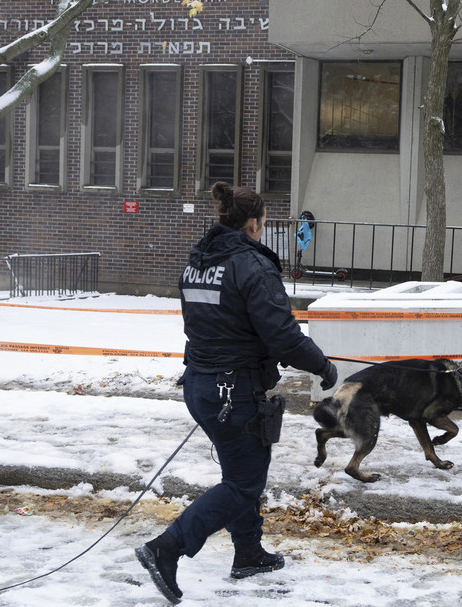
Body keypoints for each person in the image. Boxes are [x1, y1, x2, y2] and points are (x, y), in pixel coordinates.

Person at [135, 181, 338, 604]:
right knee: (244, 484)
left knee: (241, 473)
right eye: (262, 224)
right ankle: (166, 548)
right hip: (233, 390)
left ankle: (248, 551)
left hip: (201, 384)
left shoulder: (198, 261)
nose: (262, 231)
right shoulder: (251, 265)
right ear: (252, 224)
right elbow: (282, 335)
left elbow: (211, 320)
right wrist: (322, 366)